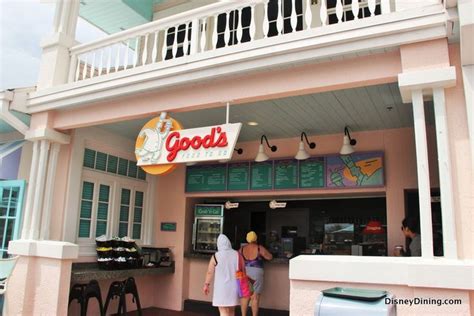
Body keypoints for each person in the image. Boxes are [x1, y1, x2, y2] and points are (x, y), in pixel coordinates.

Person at [203, 234, 239, 316]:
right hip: (234, 287)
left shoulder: (216, 256)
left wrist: (206, 284)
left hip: (221, 288)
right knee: (231, 311)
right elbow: (242, 268)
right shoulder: (237, 254)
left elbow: (209, 272)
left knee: (223, 311)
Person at [239, 231, 273, 316]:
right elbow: (269, 257)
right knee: (255, 297)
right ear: (256, 238)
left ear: (247, 239)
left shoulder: (242, 248)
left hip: (244, 272)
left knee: (245, 296)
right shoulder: (259, 248)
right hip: (256, 273)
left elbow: (236, 258)